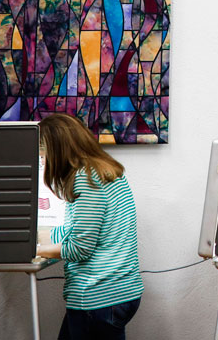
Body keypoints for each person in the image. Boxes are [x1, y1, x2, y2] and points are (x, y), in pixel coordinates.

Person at [36, 113, 143, 339]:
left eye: (42, 156)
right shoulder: (105, 171)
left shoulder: (85, 179)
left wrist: (34, 251)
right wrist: (38, 235)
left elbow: (79, 248)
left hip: (98, 296)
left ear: (56, 151)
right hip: (119, 293)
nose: (42, 163)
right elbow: (78, 230)